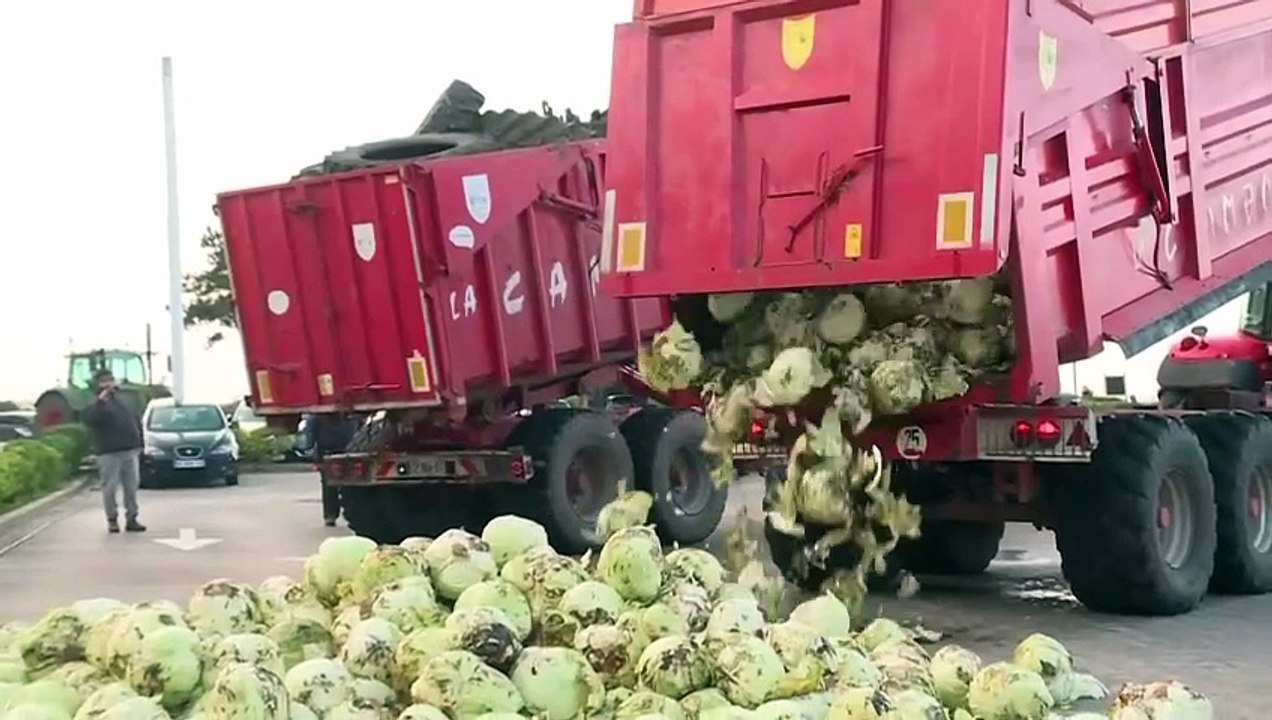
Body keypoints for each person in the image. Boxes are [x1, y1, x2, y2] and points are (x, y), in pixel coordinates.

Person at [80, 369, 146, 534]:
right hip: (109, 453)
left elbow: (136, 421)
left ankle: (132, 518)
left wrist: (140, 443)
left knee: (131, 487)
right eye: (104, 381)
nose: (108, 384)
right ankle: (112, 520)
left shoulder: (126, 400)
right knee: (109, 488)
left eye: (111, 380)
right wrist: (100, 402)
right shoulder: (93, 403)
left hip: (130, 450)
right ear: (98, 384)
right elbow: (89, 420)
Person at [313, 413, 363, 526]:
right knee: (348, 484)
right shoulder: (354, 414)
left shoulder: (319, 416)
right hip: (347, 450)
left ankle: (331, 515)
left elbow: (311, 436)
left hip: (332, 451)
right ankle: (344, 513)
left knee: (331, 485)